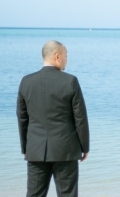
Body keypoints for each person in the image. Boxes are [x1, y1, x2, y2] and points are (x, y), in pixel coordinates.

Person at [17, 40, 90, 197]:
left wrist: (25, 147)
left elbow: (22, 118)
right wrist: (85, 147)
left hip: (35, 150)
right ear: (57, 56)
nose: (67, 59)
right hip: (66, 150)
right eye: (66, 55)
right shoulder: (70, 81)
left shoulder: (26, 82)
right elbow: (80, 118)